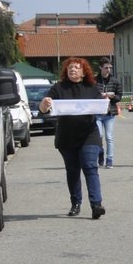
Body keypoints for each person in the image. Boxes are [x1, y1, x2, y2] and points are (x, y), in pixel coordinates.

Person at [38, 57, 106, 218]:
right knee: (73, 170)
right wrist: (44, 103)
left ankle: (96, 204)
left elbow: (102, 107)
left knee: (90, 166)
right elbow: (44, 109)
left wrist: (105, 103)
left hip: (89, 134)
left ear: (83, 72)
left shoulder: (92, 87)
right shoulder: (58, 88)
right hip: (66, 137)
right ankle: (76, 203)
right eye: (69, 68)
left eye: (76, 67)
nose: (72, 70)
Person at [95, 58, 122, 167]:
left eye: (110, 68)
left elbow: (119, 96)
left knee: (109, 137)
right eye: (106, 68)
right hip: (97, 113)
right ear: (101, 68)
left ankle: (109, 159)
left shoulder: (115, 81)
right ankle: (100, 152)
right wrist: (99, 96)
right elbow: (90, 96)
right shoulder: (94, 81)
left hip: (110, 113)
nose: (108, 70)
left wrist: (112, 96)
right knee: (99, 135)